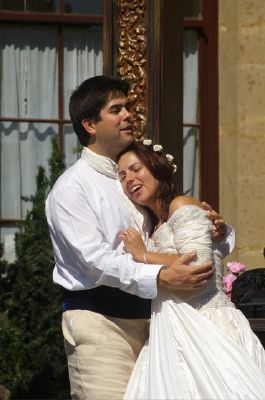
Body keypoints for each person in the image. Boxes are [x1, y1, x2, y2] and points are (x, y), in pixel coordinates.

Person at [45, 75, 230, 400]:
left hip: (160, 323)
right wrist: (161, 275)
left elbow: (172, 231)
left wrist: (213, 229)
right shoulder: (72, 189)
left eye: (127, 107)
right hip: (102, 324)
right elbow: (95, 261)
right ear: (90, 124)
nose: (128, 114)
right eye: (116, 109)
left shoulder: (133, 176)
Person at [117, 140, 265, 400]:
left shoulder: (181, 204)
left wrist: (142, 254)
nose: (129, 179)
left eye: (136, 169)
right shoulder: (154, 224)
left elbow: (199, 267)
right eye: (122, 175)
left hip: (207, 326)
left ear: (156, 167)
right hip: (170, 333)